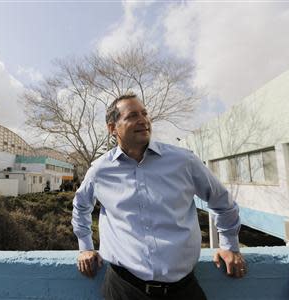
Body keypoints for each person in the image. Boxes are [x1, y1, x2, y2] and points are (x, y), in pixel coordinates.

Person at [71, 94, 246, 300]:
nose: (143, 120)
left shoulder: (184, 161)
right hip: (123, 289)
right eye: (132, 115)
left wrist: (229, 245)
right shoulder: (100, 170)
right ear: (112, 128)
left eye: (145, 113)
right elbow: (81, 207)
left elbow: (223, 202)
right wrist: (85, 248)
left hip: (183, 290)